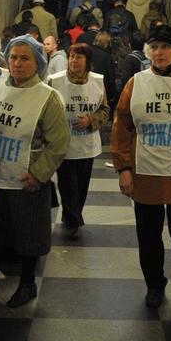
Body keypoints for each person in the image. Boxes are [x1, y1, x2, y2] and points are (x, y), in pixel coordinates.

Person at [112, 25, 171, 308]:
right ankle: (154, 285)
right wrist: (124, 168)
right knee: (149, 235)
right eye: (154, 47)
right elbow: (122, 126)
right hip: (146, 172)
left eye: (165, 47)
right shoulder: (136, 83)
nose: (159, 52)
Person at [0, 35, 69, 307]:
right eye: (14, 57)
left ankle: (27, 283)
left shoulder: (48, 98)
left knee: (28, 235)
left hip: (26, 180)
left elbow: (58, 144)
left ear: (38, 62)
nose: (17, 63)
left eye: (25, 58)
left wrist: (38, 175)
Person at [47, 43, 109, 240]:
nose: (74, 60)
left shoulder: (97, 81)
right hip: (63, 144)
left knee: (81, 186)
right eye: (72, 56)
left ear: (87, 61)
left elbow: (105, 109)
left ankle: (71, 215)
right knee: (67, 184)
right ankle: (74, 221)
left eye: (79, 57)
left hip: (87, 144)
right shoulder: (54, 81)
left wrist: (91, 119)